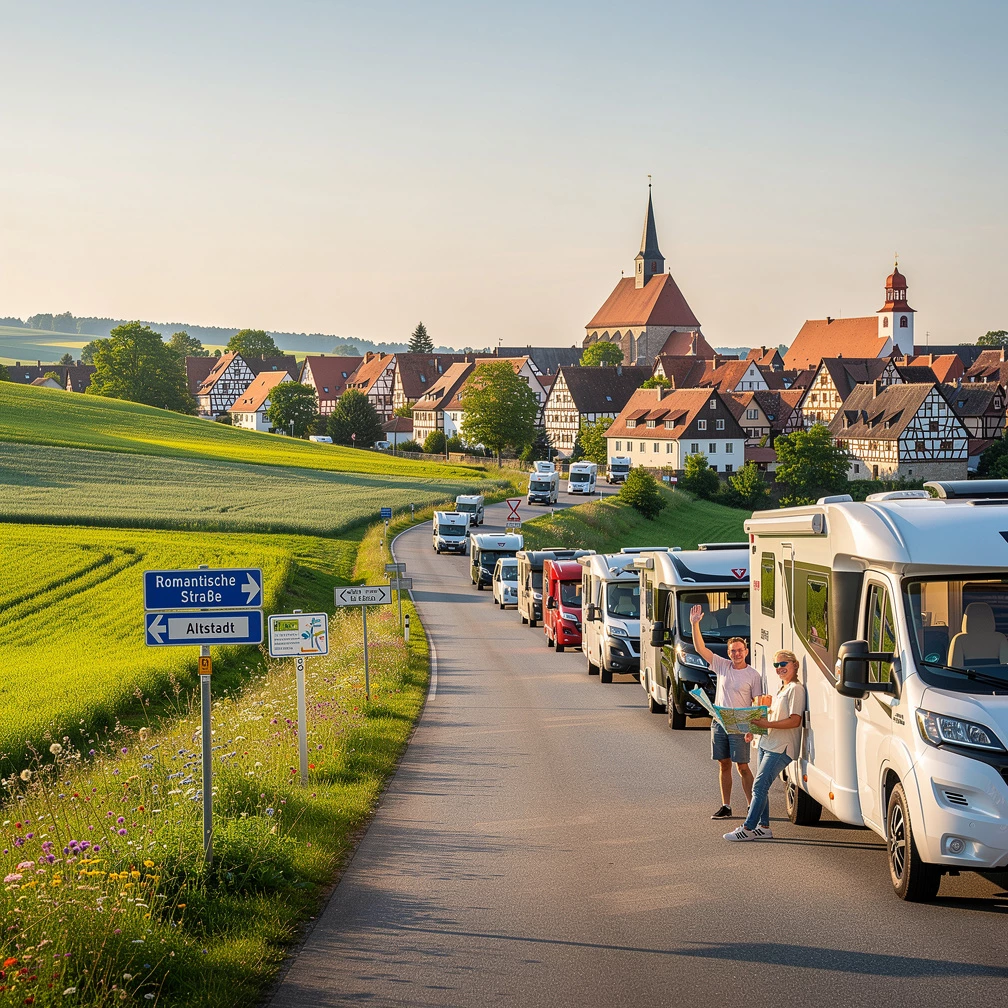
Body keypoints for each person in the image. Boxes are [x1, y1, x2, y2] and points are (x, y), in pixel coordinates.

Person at [723, 649, 806, 841]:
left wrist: (766, 724)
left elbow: (795, 721)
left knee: (759, 786)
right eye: (776, 665)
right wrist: (754, 729)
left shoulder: (796, 690)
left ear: (794, 664)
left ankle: (748, 828)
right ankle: (764, 826)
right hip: (767, 742)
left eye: (783, 664)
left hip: (781, 747)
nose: (779, 668)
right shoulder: (782, 689)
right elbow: (774, 717)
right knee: (761, 787)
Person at [690, 603, 762, 820]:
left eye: (740, 650)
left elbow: (757, 703)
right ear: (728, 653)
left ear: (746, 652)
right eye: (733, 651)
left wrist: (753, 729)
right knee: (723, 764)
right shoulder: (722, 666)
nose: (736, 654)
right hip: (720, 721)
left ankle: (752, 805)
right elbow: (700, 649)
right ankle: (726, 805)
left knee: (742, 766)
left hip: (740, 724)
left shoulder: (753, 675)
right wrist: (695, 625)